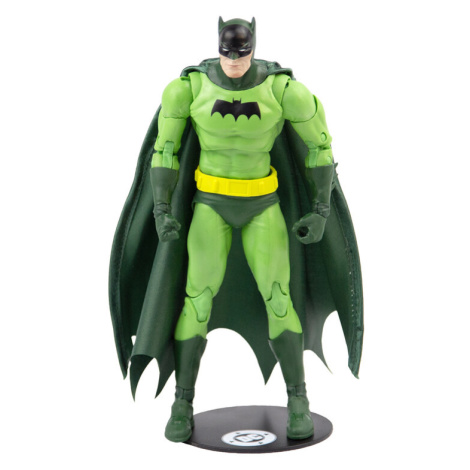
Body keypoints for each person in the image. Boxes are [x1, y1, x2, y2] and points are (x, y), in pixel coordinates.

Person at [109, 17, 363, 444]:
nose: (234, 61)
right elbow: (165, 150)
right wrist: (161, 208)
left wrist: (321, 209)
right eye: (227, 53)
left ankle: (298, 400)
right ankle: (182, 402)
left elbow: (320, 145)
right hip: (209, 205)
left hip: (263, 205)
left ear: (253, 49)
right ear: (218, 47)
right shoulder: (188, 89)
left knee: (279, 299)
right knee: (196, 302)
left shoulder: (283, 91)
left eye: (242, 54)